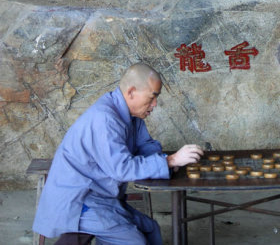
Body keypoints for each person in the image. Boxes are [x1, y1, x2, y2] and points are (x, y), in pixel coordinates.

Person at [33, 62, 204, 244]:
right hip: (80, 201)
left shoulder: (133, 117)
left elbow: (146, 146)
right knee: (134, 241)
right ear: (131, 92)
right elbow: (122, 169)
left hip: (102, 198)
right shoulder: (105, 119)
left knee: (150, 228)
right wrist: (170, 160)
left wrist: (166, 161)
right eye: (152, 97)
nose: (154, 104)